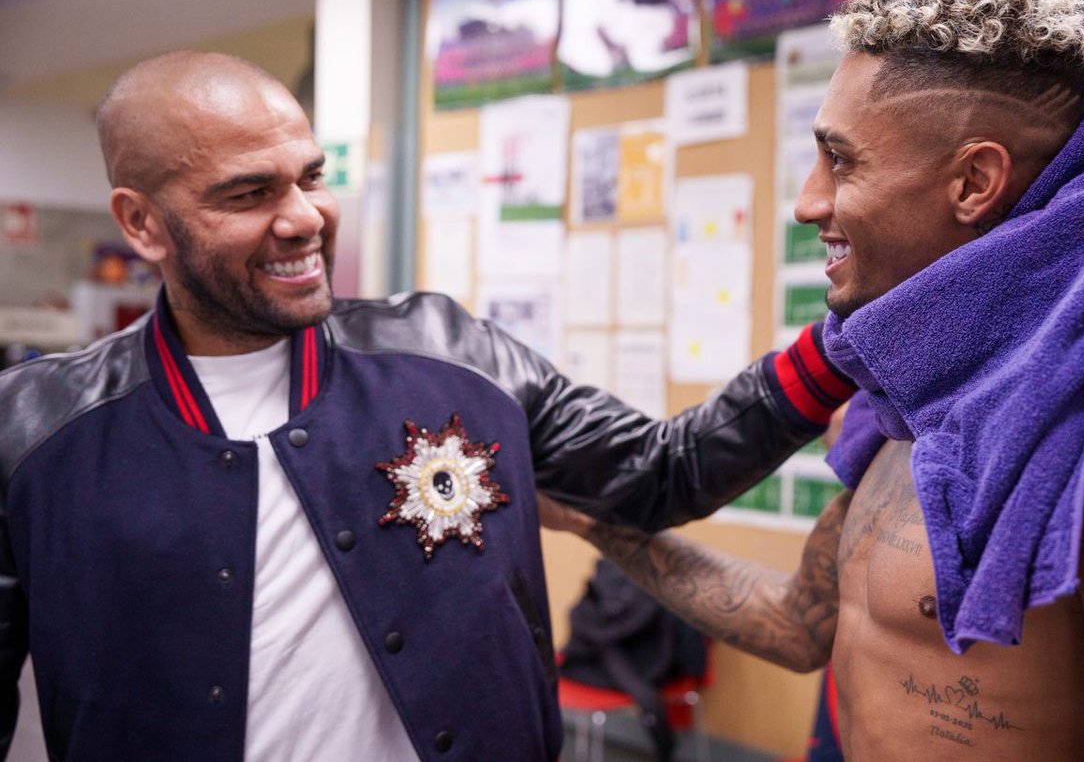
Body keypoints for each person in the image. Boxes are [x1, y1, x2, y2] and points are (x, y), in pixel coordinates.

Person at [0, 51, 856, 761]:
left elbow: (663, 471)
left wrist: (847, 344)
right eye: (249, 194)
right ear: (142, 224)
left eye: (311, 178)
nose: (304, 219)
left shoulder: (453, 356)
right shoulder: (34, 432)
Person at [539, 0, 1084, 759]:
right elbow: (798, 622)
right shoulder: (912, 405)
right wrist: (587, 518)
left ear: (974, 181)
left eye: (841, 161)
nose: (807, 202)